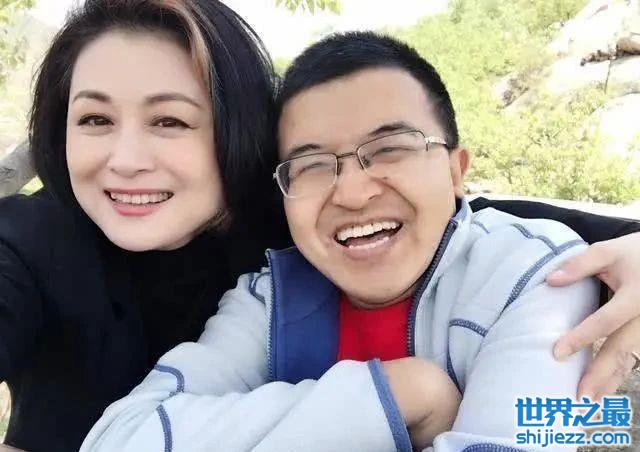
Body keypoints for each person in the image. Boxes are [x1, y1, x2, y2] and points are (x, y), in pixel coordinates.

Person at [0, 1, 639, 450]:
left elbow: (498, 232)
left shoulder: (286, 235)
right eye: (94, 120)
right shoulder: (271, 286)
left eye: (169, 120)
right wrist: (401, 398)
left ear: (237, 140)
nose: (126, 159)